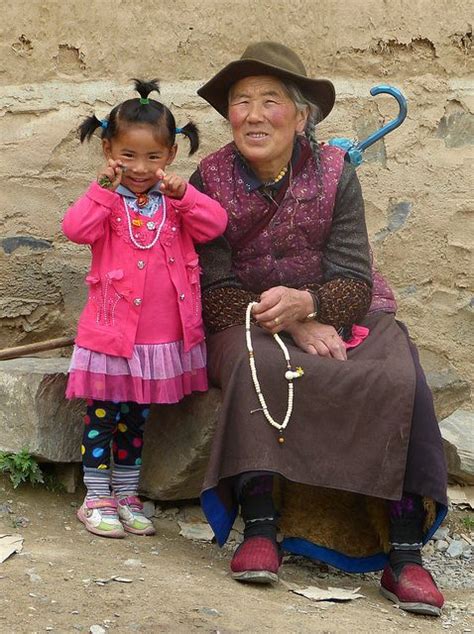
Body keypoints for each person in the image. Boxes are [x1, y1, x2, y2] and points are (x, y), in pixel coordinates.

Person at [190, 42, 448, 616]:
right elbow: (212, 288)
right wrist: (281, 319)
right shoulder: (208, 178)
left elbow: (354, 276)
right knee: (256, 365)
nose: (253, 115)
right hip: (248, 317)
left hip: (337, 307)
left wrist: (310, 308)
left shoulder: (336, 173)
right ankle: (260, 525)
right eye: (240, 102)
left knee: (396, 375)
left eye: (270, 101)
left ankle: (403, 552)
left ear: (302, 115)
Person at [62, 79, 227, 539]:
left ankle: (128, 493)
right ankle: (96, 496)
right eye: (128, 156)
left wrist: (184, 195)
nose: (139, 168)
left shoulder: (174, 206)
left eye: (153, 157)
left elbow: (215, 224)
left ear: (172, 155)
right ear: (108, 148)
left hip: (158, 340)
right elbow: (75, 229)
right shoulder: (108, 202)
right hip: (113, 338)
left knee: (136, 418)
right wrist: (101, 188)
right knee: (102, 416)